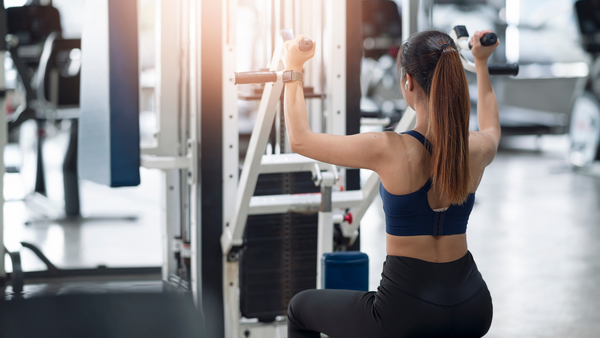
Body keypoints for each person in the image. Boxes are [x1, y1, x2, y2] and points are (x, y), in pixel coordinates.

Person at [282, 29, 500, 338]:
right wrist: (480, 63)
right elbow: (492, 127)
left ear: (409, 82)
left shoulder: (389, 149)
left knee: (300, 308)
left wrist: (293, 66)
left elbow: (300, 140)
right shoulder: (475, 148)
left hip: (406, 314)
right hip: (473, 306)